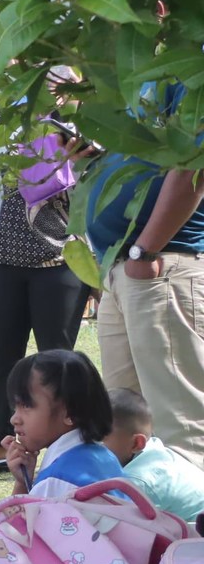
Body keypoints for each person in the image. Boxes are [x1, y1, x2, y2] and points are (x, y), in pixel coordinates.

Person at [83, 98, 204, 466]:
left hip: (161, 264)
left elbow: (192, 166)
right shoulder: (139, 80)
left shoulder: (188, 67)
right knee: (120, 417)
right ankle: (135, 516)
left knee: (179, 422)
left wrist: (145, 252)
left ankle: (190, 521)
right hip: (126, 268)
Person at [0, 178, 89, 477]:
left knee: (58, 361)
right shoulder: (1, 133)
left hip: (62, 254)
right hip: (4, 253)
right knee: (1, 357)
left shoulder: (73, 130)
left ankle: (62, 448)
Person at [1, 349, 125, 495]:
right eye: (15, 407)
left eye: (26, 406)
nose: (14, 419)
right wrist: (24, 481)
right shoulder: (106, 457)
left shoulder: (57, 480)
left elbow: (19, 517)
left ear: (70, 412)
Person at [111, 389, 204, 522]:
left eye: (100, 438)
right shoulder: (154, 450)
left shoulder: (138, 480)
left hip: (197, 537)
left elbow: (121, 524)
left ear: (137, 443)